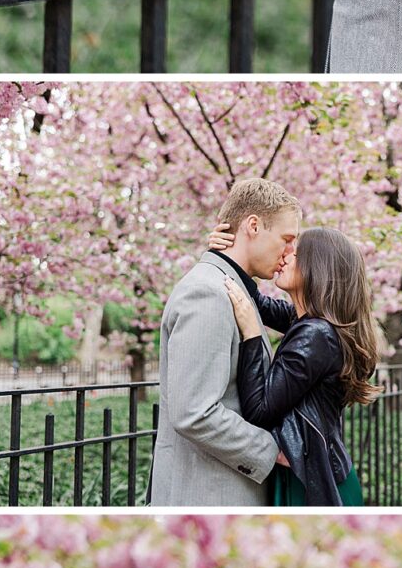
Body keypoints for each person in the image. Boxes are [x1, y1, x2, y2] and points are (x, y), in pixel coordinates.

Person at [147, 178, 300, 506]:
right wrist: (273, 450)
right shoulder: (208, 293)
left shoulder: (232, 288)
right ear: (254, 226)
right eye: (286, 240)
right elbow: (195, 411)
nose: (289, 253)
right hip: (210, 499)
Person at [218, 227, 379, 507]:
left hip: (311, 482)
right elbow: (255, 301)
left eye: (297, 252)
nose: (286, 255)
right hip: (314, 471)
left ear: (318, 268)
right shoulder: (308, 322)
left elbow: (259, 409)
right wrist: (225, 254)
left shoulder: (316, 334)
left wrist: (253, 335)